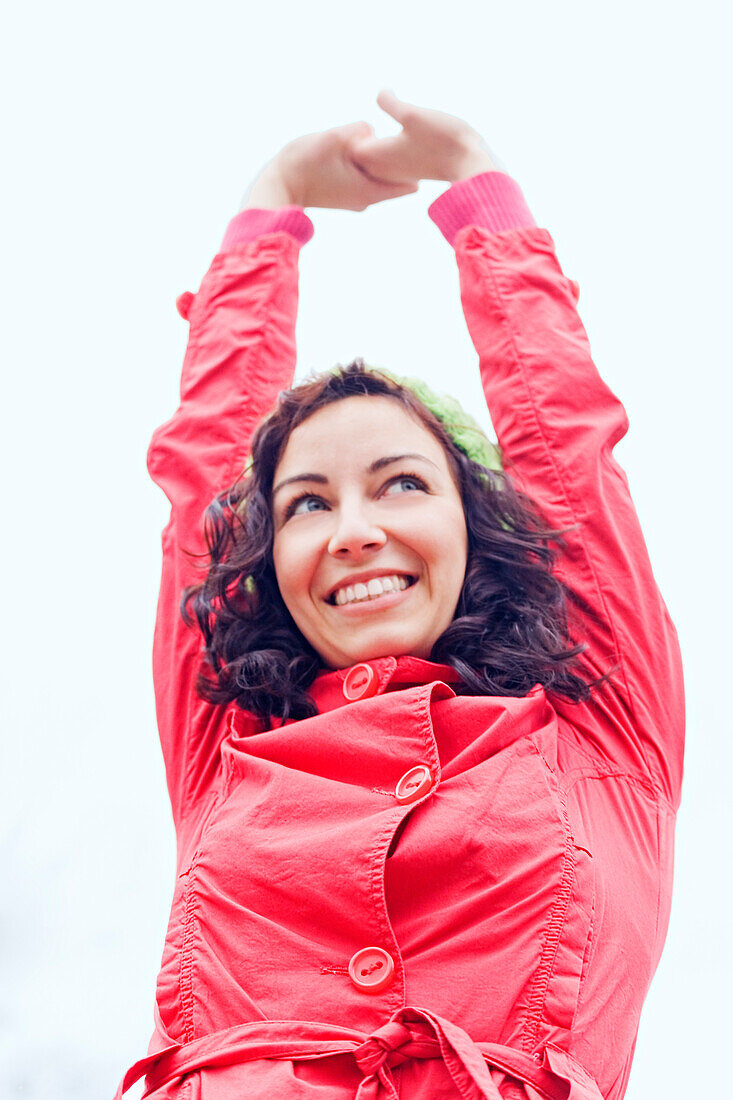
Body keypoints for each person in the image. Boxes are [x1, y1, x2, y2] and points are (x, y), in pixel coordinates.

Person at [114, 91, 684, 1100]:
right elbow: (205, 467)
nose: (352, 530)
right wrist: (272, 203)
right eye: (305, 502)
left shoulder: (596, 722)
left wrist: (475, 183)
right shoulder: (229, 741)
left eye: (402, 482)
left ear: (476, 520)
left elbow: (568, 448)